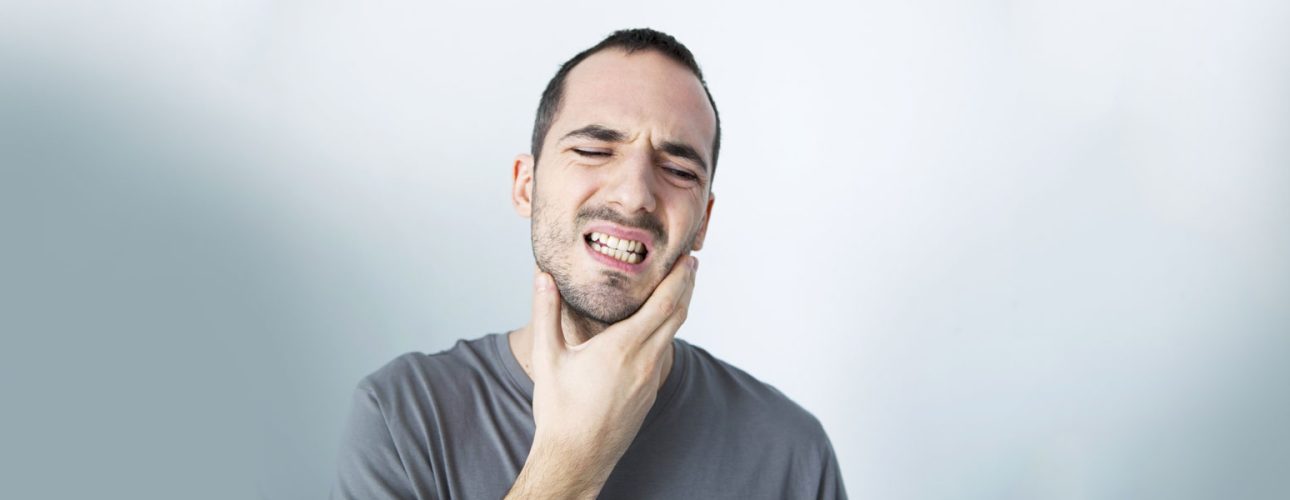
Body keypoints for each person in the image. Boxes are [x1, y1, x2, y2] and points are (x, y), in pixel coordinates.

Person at [332, 28, 848, 499]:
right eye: (594, 149)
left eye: (676, 169)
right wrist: (570, 464)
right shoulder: (404, 417)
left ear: (704, 222)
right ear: (525, 185)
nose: (633, 195)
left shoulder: (793, 455)